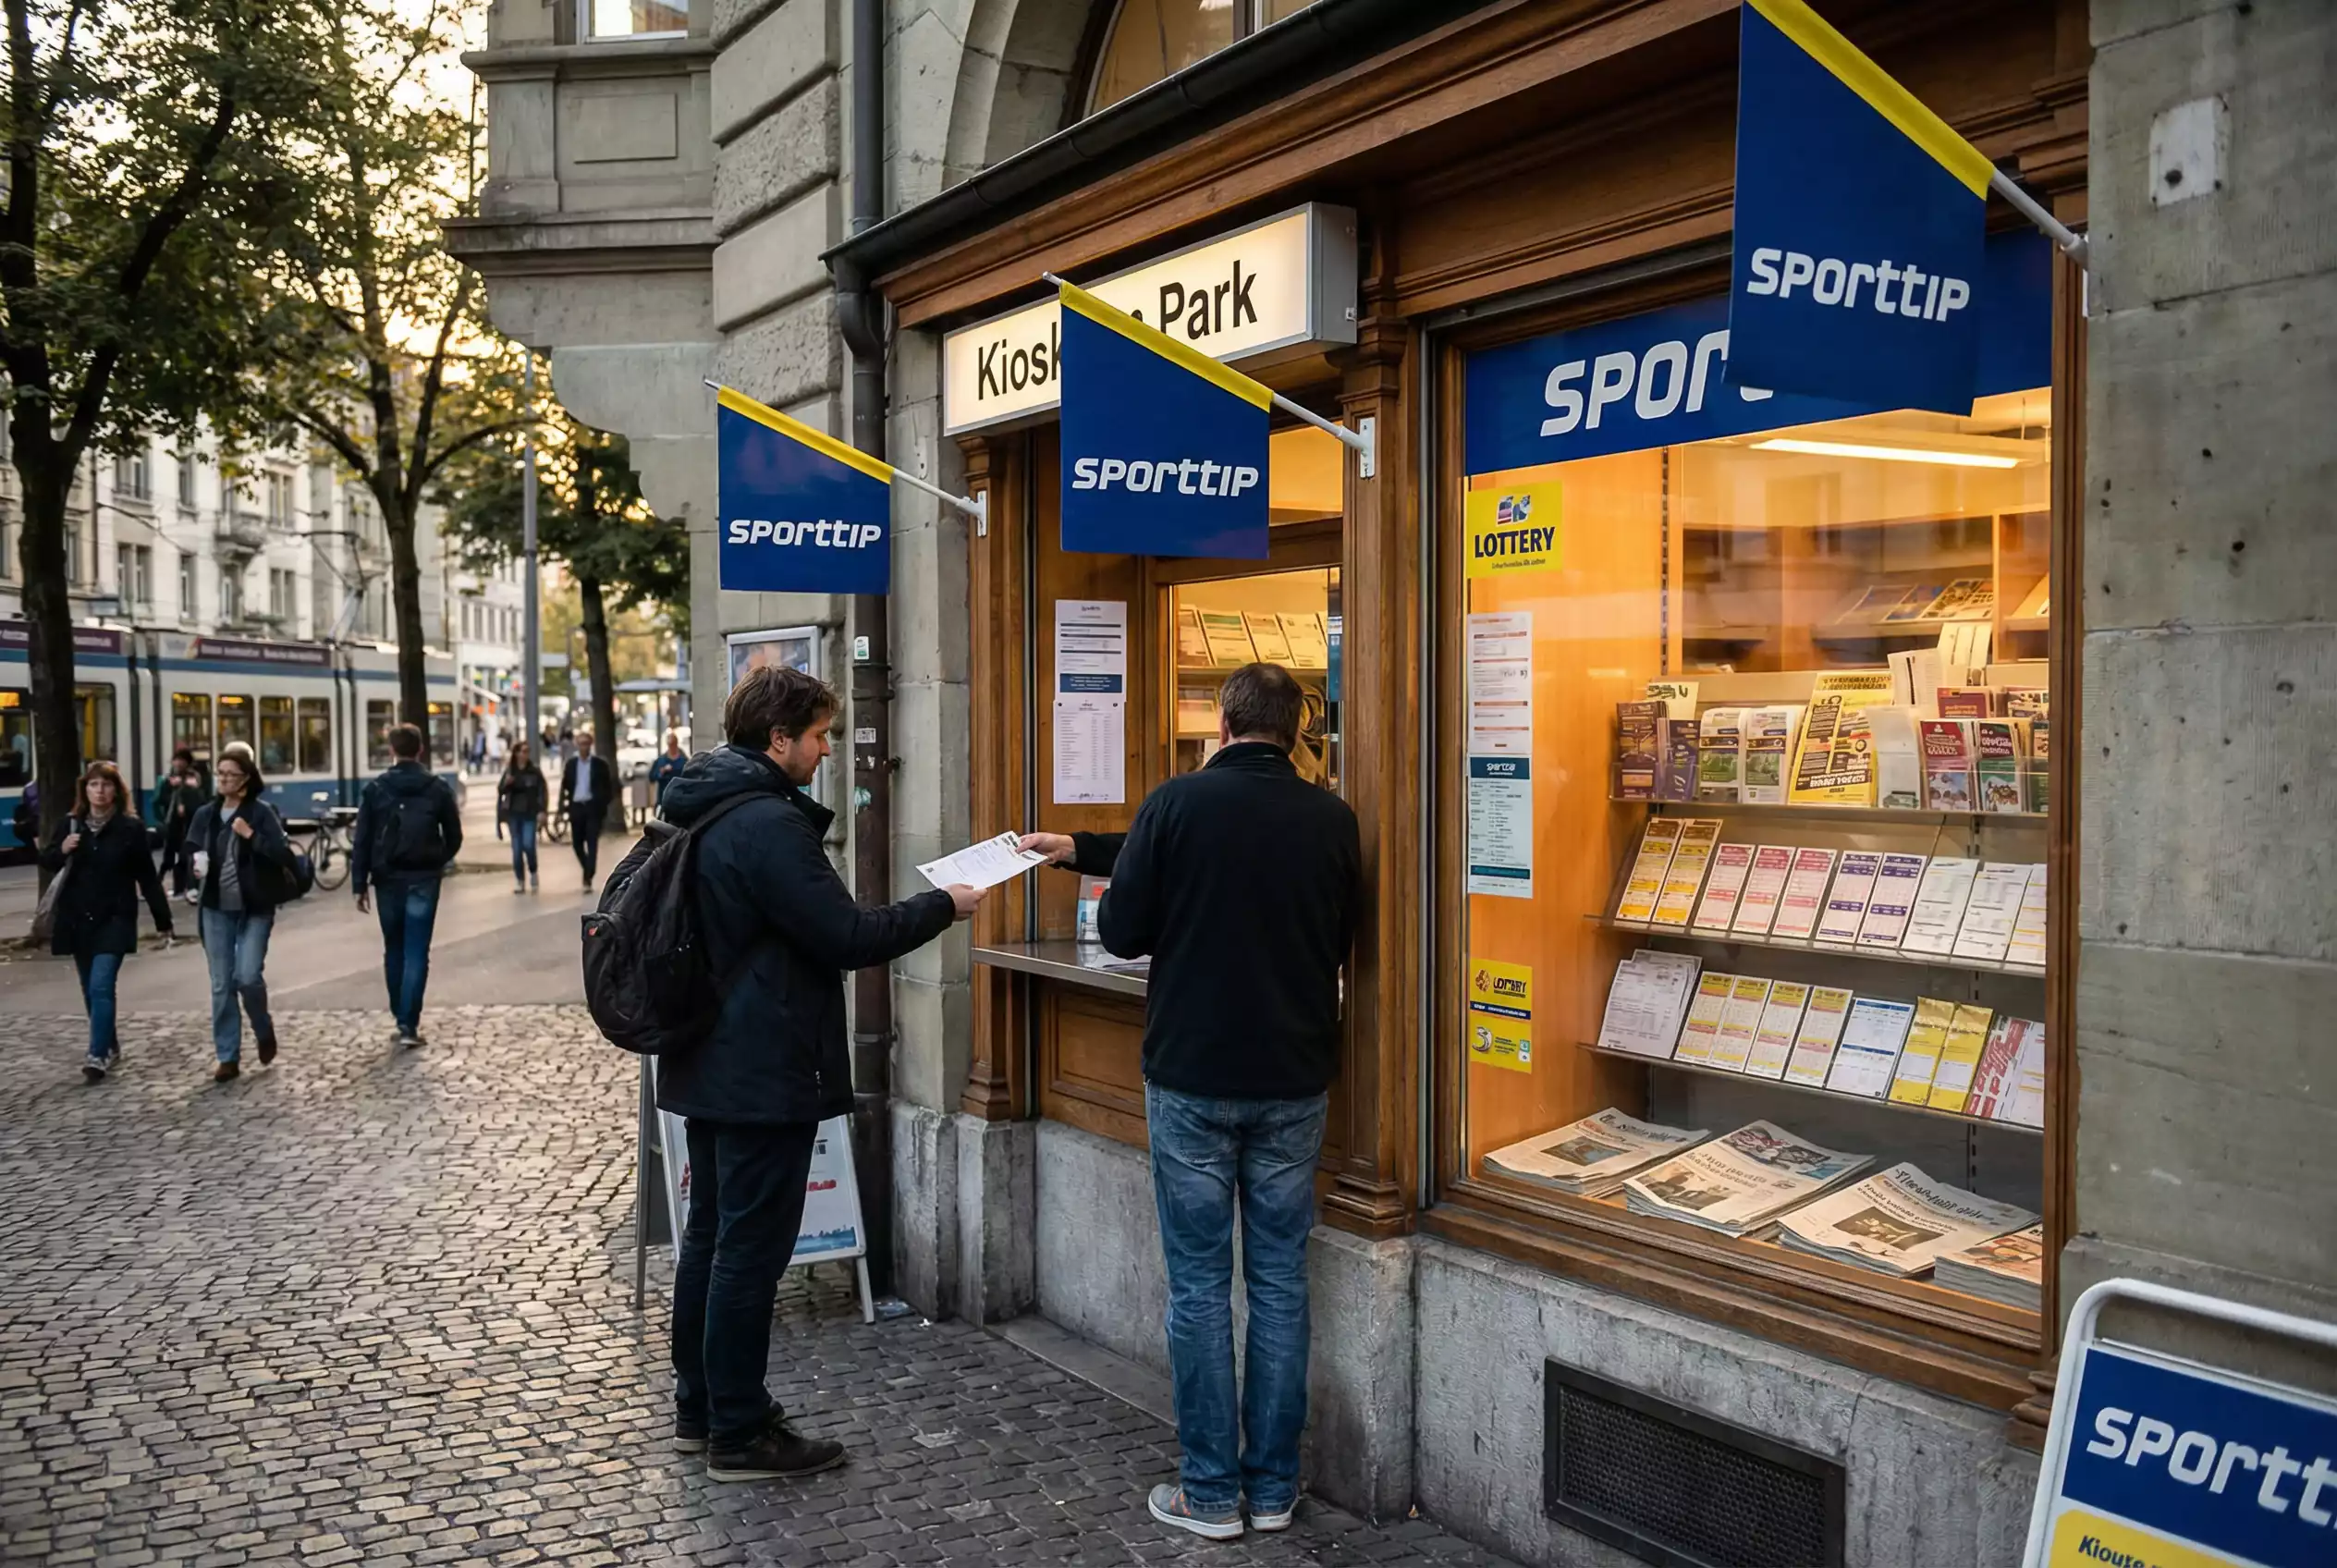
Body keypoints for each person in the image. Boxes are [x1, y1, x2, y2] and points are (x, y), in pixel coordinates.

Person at [1018, 663, 1360, 1541]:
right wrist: (1080, 844)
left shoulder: (1177, 802)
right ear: (1298, 730)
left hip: (1194, 1075)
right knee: (1280, 1283)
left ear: (1222, 723)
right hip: (1293, 1076)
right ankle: (1274, 1489)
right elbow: (1346, 933)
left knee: (1202, 1288)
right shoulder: (1333, 818)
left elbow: (1127, 928)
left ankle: (1210, 1494)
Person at [656, 665, 984, 1482]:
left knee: (712, 1236)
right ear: (778, 740)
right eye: (817, 735)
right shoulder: (765, 822)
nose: (826, 748)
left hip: (710, 1057)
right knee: (749, 1251)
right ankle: (737, 1430)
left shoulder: (706, 804)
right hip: (761, 1067)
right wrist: (946, 905)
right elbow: (844, 935)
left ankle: (701, 1407)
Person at [42, 760, 177, 1082]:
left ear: (117, 790)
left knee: (102, 985)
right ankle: (110, 1043)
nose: (99, 791)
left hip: (115, 917)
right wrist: (61, 850)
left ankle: (97, 1055)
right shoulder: (71, 825)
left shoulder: (130, 829)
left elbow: (147, 876)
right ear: (84, 790)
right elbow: (46, 859)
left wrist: (163, 920)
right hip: (77, 917)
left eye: (105, 785)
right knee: (90, 989)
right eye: (93, 785)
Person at [350, 722, 464, 1048]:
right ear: (421, 750)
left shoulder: (376, 790)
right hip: (424, 880)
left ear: (391, 751)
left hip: (387, 879)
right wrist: (436, 860)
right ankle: (409, 1024)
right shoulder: (437, 787)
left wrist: (359, 884)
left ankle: (399, 1013)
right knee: (417, 950)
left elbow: (363, 840)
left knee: (394, 947)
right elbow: (454, 836)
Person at [186, 743, 295, 1082]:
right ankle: (228, 1056)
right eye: (220, 774)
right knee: (221, 984)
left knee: (246, 976)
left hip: (255, 907)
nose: (223, 780)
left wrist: (251, 836)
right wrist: (193, 868)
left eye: (231, 775)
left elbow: (282, 854)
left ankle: (263, 1028)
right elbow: (188, 850)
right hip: (216, 908)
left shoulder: (261, 813)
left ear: (246, 780)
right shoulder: (206, 814)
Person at [557, 729, 615, 891]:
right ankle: (587, 868)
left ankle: (588, 876)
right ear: (577, 745)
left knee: (591, 841)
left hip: (592, 807)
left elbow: (608, 787)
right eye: (581, 744)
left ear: (591, 745)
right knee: (577, 843)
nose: (584, 747)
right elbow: (565, 786)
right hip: (576, 807)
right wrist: (562, 807)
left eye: (587, 744)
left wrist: (602, 804)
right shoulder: (571, 765)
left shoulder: (599, 764)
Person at [153, 748, 209, 901]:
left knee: (187, 856)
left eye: (182, 760)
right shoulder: (167, 780)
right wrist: (162, 821)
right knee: (168, 858)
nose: (178, 763)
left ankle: (187, 888)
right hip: (172, 825)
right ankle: (157, 886)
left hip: (189, 824)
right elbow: (157, 801)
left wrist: (184, 789)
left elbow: (200, 798)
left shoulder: (193, 777)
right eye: (176, 760)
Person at [497, 740, 548, 893]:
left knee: (528, 845)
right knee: (517, 849)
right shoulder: (510, 771)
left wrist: (542, 810)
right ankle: (520, 879)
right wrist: (507, 784)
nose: (524, 754)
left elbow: (542, 791)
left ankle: (533, 871)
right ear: (516, 753)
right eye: (521, 751)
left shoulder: (534, 771)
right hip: (514, 814)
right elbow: (501, 790)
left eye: (527, 751)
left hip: (529, 813)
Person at [649, 730, 687, 805]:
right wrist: (661, 772)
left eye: (673, 744)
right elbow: (651, 777)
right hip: (663, 800)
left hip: (679, 799)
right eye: (670, 744)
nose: (672, 747)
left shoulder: (683, 761)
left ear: (677, 744)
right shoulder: (661, 761)